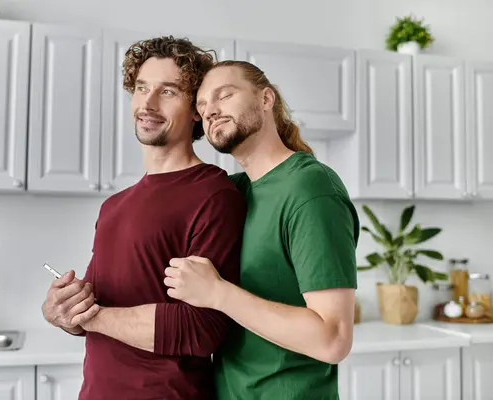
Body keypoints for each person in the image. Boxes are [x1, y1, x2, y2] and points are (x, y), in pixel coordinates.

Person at [41, 37, 247, 400]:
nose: (147, 104)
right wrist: (64, 312)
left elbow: (203, 328)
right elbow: (100, 306)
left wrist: (93, 316)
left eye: (167, 91)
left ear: (196, 108)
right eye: (141, 88)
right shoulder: (115, 206)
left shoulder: (214, 195)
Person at [164, 60, 359, 400]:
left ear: (266, 99)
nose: (211, 111)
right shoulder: (233, 191)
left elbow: (333, 340)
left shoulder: (310, 189)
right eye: (202, 105)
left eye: (224, 95)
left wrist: (218, 293)